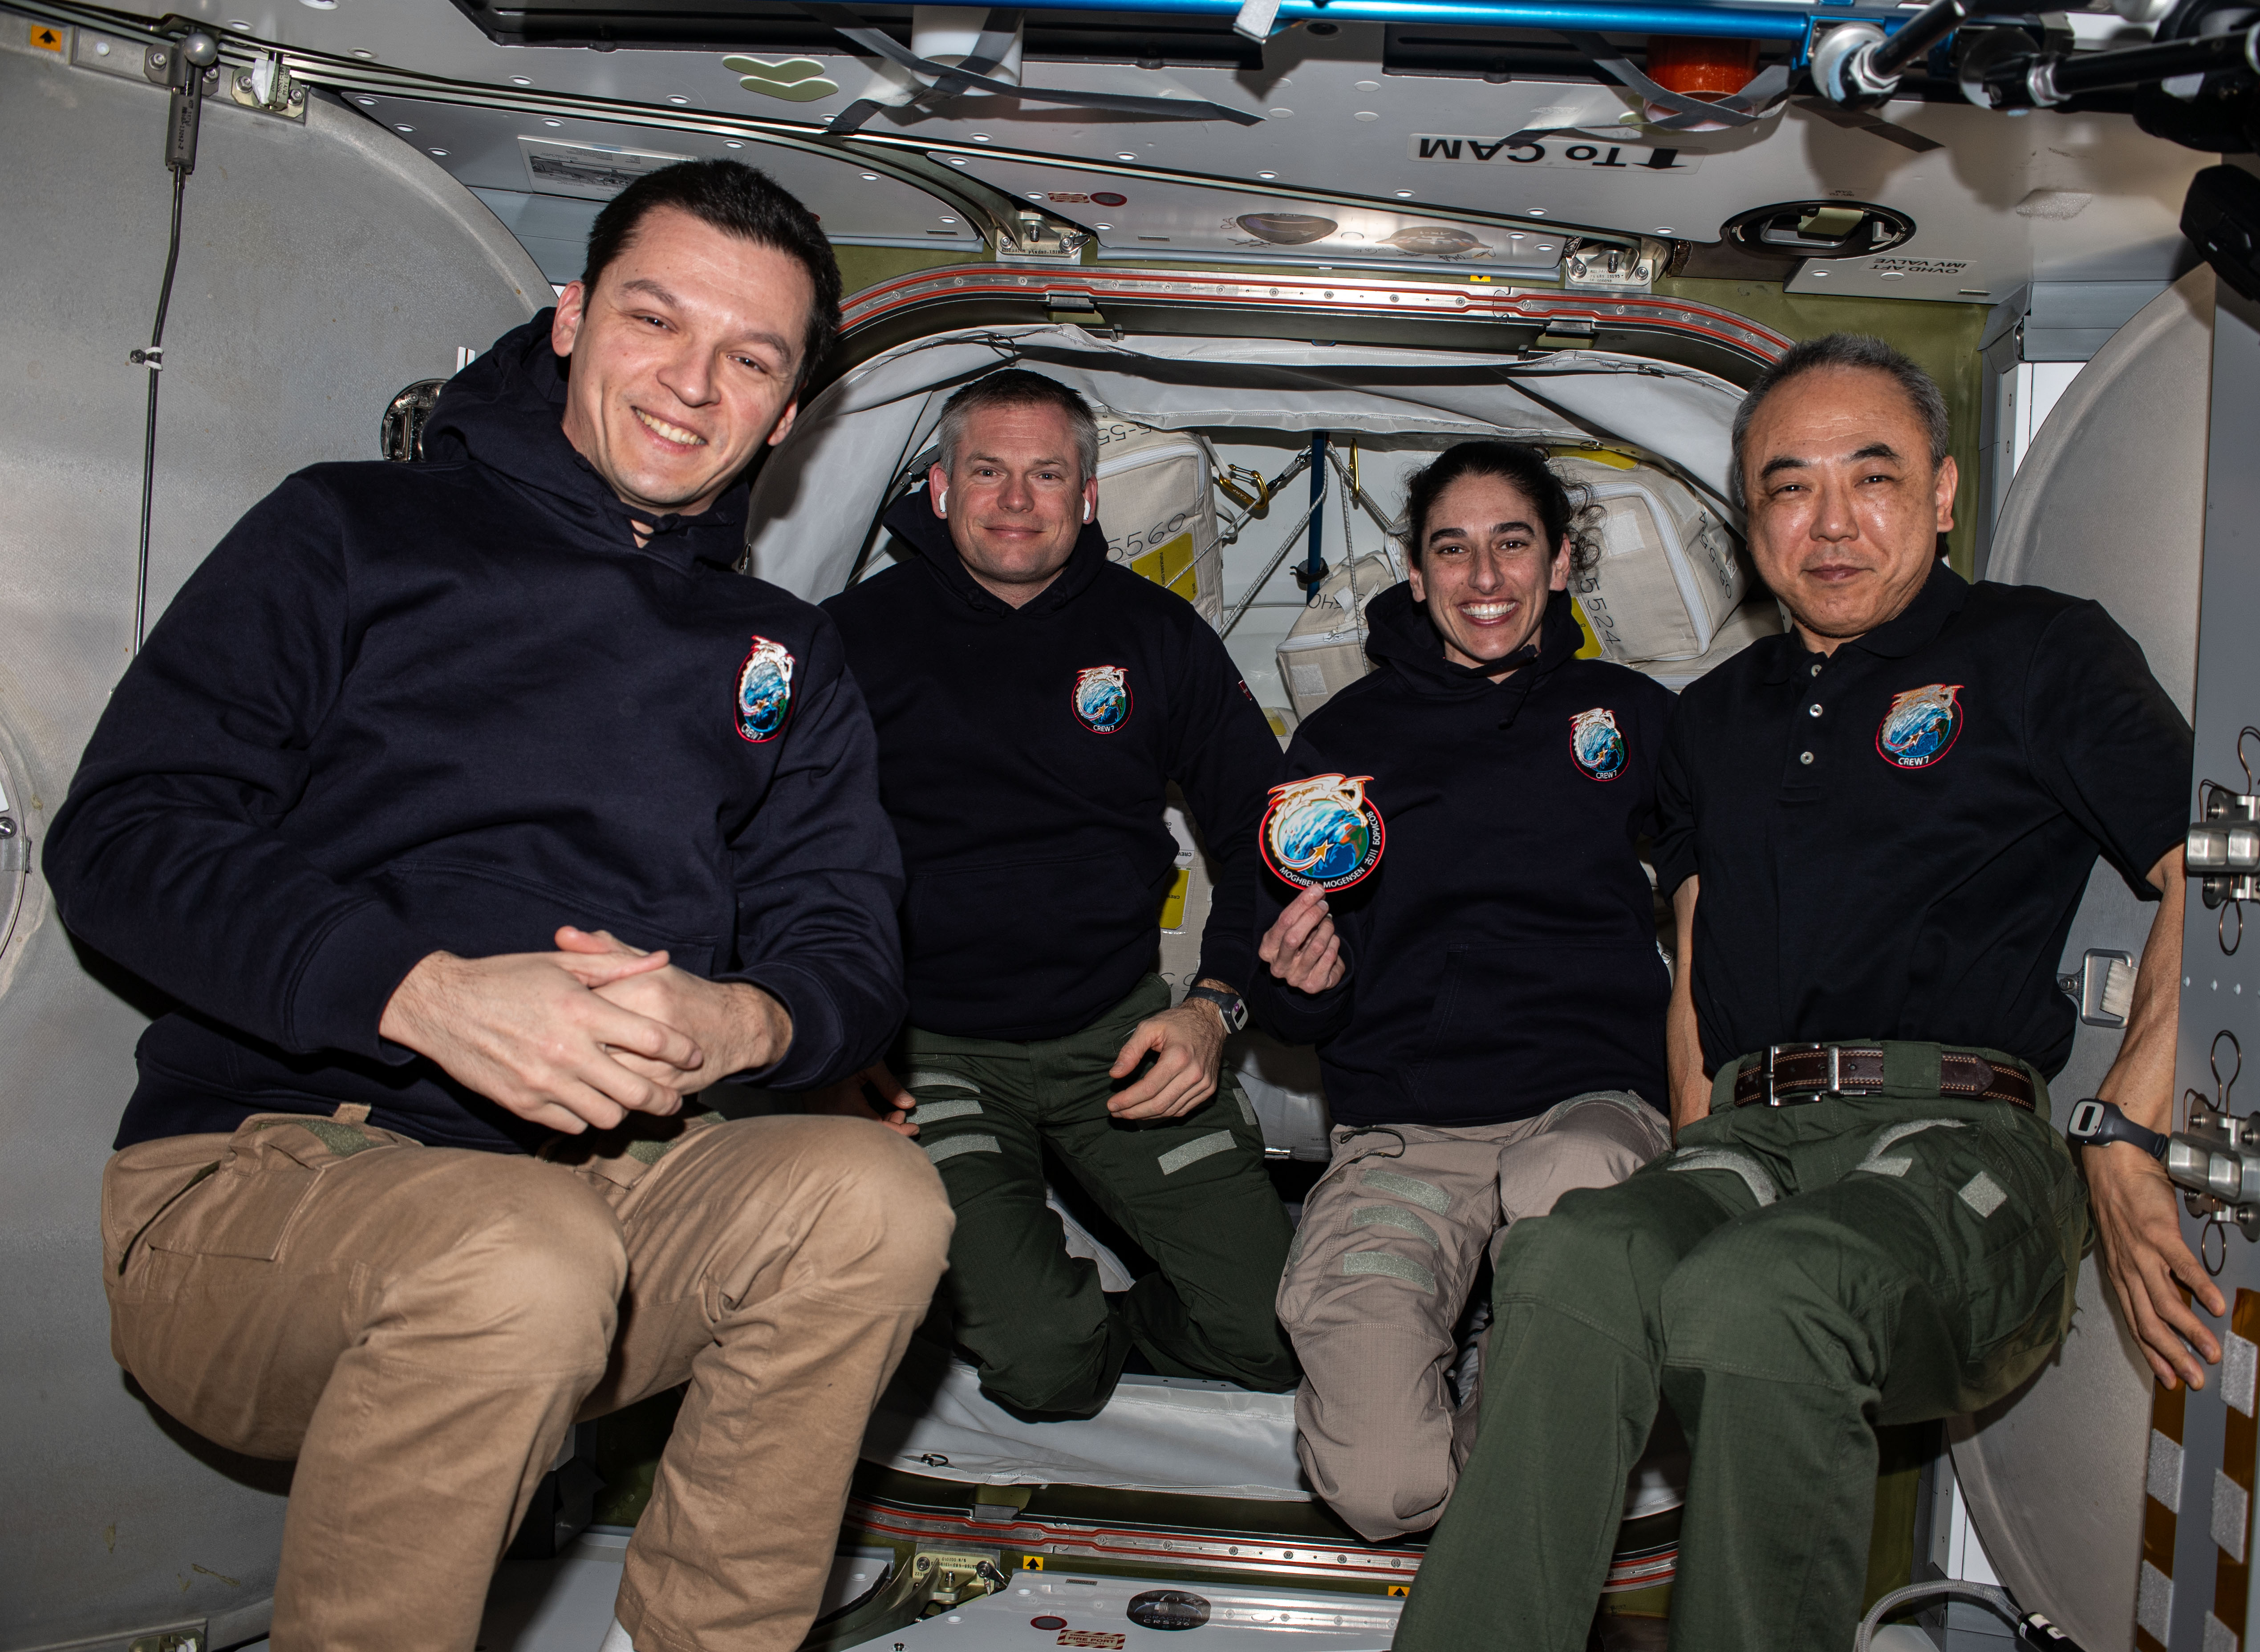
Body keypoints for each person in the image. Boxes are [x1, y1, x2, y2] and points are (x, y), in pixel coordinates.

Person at [45, 161, 953, 1652]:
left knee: (878, 1201)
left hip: (604, 1202)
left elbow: (847, 946)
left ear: (790, 412)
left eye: (749, 359)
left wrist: (733, 1022)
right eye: (655, 321)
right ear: (571, 318)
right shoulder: (350, 532)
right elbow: (125, 841)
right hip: (267, 1184)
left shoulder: (782, 652)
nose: (692, 384)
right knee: (519, 1251)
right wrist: (425, 992)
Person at [1394, 334, 2216, 1651]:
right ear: (1749, 516)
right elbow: (1695, 955)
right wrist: (1688, 1154)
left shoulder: (2039, 650)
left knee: (1762, 1287)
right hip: (1754, 1136)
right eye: (1790, 486)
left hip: (1961, 1145)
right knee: (1568, 1258)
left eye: (1872, 477)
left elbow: (2206, 871)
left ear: (1942, 493)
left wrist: (2122, 1134)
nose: (1831, 522)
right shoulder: (1713, 717)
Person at [817, 369, 1297, 1417]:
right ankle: (1023, 1312)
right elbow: (776, 846)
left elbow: (1267, 832)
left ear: (1087, 496)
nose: (1016, 500)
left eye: (1046, 475)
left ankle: (1092, 1315)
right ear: (941, 487)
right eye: (988, 471)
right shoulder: (849, 640)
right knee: (1044, 1366)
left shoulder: (1157, 635)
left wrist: (1214, 1007)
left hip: (1117, 1035)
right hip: (927, 1053)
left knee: (1274, 1334)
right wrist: (830, 1044)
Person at [1250, 441, 1675, 1541]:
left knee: (1567, 1179)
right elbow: (1294, 993)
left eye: (1512, 543)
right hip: (1411, 1129)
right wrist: (1302, 983)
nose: (1484, 577)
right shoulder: (1342, 743)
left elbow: (1725, 883)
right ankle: (1508, 1394)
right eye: (1452, 548)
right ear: (1415, 570)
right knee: (1383, 1484)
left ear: (1561, 562)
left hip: (1588, 1104)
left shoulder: (1627, 716)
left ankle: (1523, 1361)